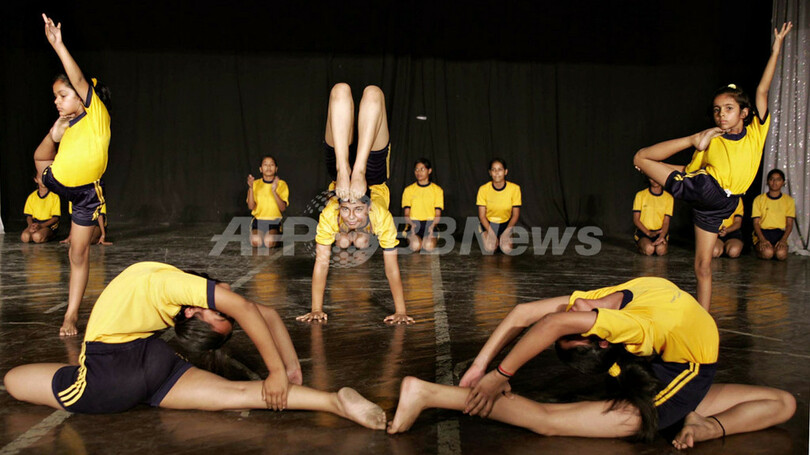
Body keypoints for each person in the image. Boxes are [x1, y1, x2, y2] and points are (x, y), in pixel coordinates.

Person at [386, 277, 795, 450]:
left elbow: (540, 317)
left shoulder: (618, 309)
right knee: (548, 420)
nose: (577, 313)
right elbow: (537, 318)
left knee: (786, 403)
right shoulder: (619, 313)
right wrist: (487, 370)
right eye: (576, 328)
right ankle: (428, 393)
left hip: (686, 380)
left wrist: (492, 373)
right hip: (686, 374)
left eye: (575, 327)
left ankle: (697, 424)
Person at [3, 262, 387, 429]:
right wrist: (279, 372)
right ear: (192, 313)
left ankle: (335, 402)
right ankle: (333, 402)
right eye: (223, 316)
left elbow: (255, 311)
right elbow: (255, 311)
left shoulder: (181, 289)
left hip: (114, 375)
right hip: (150, 361)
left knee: (13, 379)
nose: (228, 309)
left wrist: (286, 372)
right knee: (235, 394)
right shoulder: (181, 290)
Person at [632, 23, 792, 309]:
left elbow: (763, 89)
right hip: (706, 191)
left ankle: (703, 321)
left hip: (721, 204)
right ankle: (689, 139)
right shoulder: (713, 141)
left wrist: (777, 46)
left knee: (703, 266)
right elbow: (691, 173)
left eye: (729, 109)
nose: (721, 114)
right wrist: (686, 153)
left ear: (744, 112)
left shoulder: (756, 131)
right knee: (643, 158)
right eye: (717, 110)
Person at [296, 84, 412, 325]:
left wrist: (401, 310)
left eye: (357, 209)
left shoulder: (333, 214)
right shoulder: (379, 217)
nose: (350, 217)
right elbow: (321, 263)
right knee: (373, 94)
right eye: (347, 209)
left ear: (368, 208)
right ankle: (354, 167)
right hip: (375, 173)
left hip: (341, 172)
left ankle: (344, 166)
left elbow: (391, 269)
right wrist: (315, 309)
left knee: (340, 91)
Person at [34, 14, 113, 336]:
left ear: (82, 97)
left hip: (83, 194)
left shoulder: (95, 114)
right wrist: (55, 134)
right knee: (41, 158)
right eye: (55, 96)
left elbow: (78, 80)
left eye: (62, 95)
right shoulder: (67, 124)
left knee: (77, 253)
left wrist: (58, 44)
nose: (57, 101)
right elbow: (40, 158)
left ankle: (70, 315)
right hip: (55, 179)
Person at [476, 158, 521, 254]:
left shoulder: (515, 189)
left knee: (506, 249)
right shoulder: (483, 189)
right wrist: (492, 234)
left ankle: (506, 236)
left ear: (505, 172)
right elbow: (482, 216)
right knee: (490, 248)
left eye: (500, 169)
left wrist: (505, 233)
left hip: (505, 224)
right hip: (489, 224)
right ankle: (483, 233)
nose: (497, 173)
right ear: (490, 172)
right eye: (494, 170)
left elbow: (515, 215)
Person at [401, 158, 444, 252]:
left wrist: (432, 226)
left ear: (429, 171)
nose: (418, 172)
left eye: (422, 169)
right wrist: (411, 225)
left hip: (429, 225)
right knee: (416, 246)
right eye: (416, 169)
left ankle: (430, 238)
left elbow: (437, 214)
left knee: (428, 246)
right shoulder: (409, 190)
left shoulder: (437, 190)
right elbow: (407, 214)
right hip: (414, 225)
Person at [752, 169, 795, 261]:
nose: (774, 182)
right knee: (768, 253)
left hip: (779, 233)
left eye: (778, 179)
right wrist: (762, 239)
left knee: (781, 255)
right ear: (768, 181)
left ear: (783, 182)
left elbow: (790, 224)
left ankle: (774, 249)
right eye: (772, 179)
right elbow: (756, 223)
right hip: (763, 232)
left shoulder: (789, 200)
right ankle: (760, 249)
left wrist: (783, 240)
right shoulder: (759, 199)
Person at [247, 155, 289, 248]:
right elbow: (250, 207)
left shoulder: (281, 184)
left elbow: (282, 208)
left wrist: (274, 191)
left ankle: (277, 238)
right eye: (265, 165)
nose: (269, 167)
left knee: (269, 242)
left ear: (276, 168)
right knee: (256, 241)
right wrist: (250, 188)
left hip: (274, 221)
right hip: (259, 221)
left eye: (271, 165)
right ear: (261, 169)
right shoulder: (255, 184)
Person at [632, 178, 673, 256]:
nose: (655, 180)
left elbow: (666, 222)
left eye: (656, 177)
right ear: (648, 178)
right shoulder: (640, 195)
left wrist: (662, 236)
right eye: (652, 177)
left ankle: (658, 245)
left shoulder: (668, 198)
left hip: (660, 232)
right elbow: (636, 219)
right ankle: (640, 246)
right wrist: (648, 233)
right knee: (649, 249)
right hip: (644, 232)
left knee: (661, 250)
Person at [21, 173, 61, 243]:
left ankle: (51, 235)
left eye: (45, 178)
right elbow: (29, 216)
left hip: (48, 224)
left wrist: (41, 226)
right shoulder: (32, 197)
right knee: (25, 237)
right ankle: (37, 232)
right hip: (35, 223)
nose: (43, 180)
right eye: (40, 178)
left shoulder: (54, 197)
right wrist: (30, 226)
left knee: (37, 237)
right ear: (35, 180)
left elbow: (55, 218)